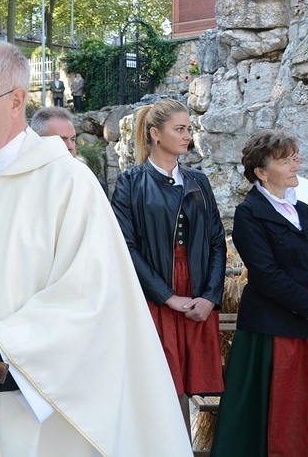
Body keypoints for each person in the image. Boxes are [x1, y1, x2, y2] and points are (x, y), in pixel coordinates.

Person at [0, 37, 191, 456]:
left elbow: (91, 299)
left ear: (16, 101)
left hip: (25, 411)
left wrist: (0, 337)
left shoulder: (66, 182)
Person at [211, 129, 308, 457]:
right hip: (275, 332)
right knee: (280, 414)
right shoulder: (249, 214)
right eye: (286, 160)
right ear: (261, 171)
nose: (295, 164)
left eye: (295, 156)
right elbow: (267, 277)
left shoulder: (301, 211)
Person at [111, 100, 226, 431]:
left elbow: (217, 241)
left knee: (190, 388)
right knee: (159, 387)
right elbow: (125, 247)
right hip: (155, 293)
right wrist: (167, 296)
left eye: (189, 128)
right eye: (180, 129)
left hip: (197, 288)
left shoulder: (198, 181)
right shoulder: (130, 182)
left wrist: (210, 296)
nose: (187, 135)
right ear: (155, 134)